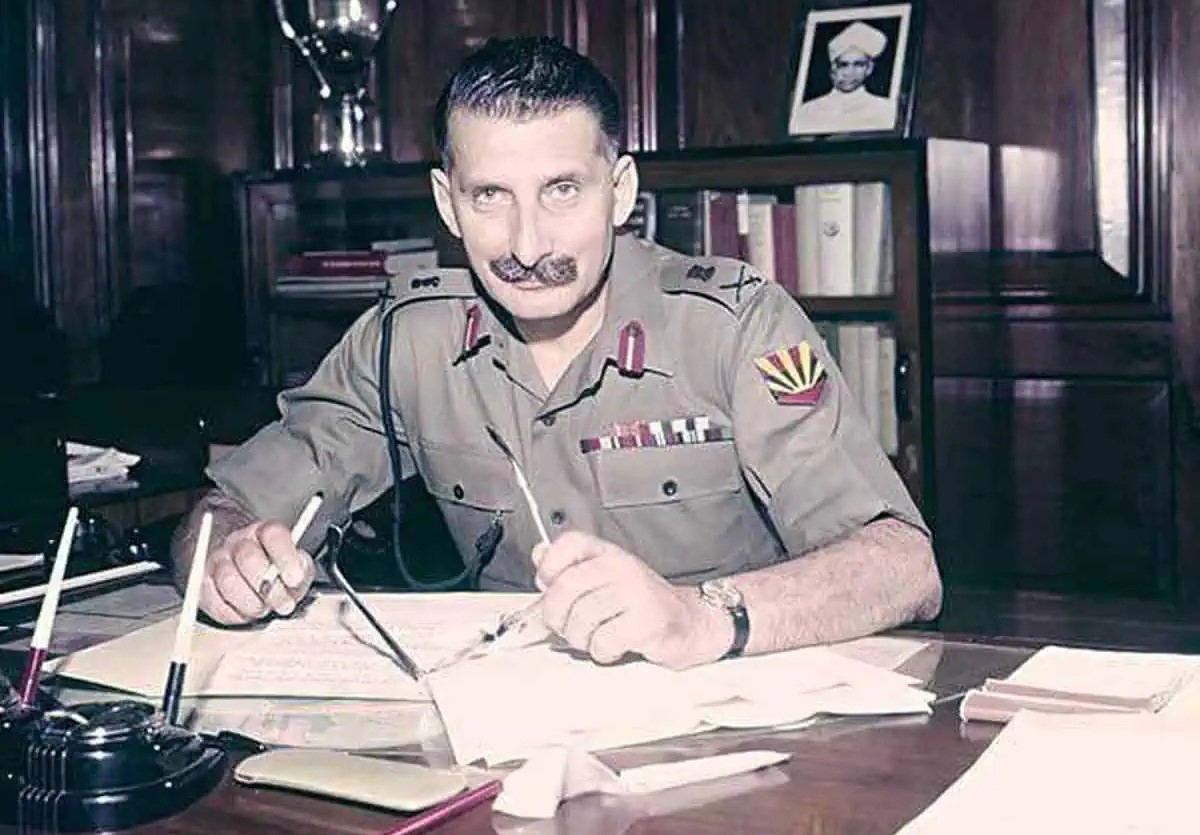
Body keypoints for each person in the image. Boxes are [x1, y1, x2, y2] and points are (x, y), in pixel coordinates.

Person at [172, 35, 941, 670]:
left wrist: (700, 617)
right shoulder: (406, 337)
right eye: (490, 196)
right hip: (506, 726)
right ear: (447, 203)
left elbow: (902, 565)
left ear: (620, 190)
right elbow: (219, 510)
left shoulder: (731, 324)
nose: (529, 245)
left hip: (732, 723)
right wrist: (224, 558)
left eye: (563, 190)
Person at [790, 20, 897, 135]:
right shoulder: (808, 111)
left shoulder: (884, 109)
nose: (850, 72)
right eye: (843, 65)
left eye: (858, 65)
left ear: (869, 68)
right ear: (833, 68)